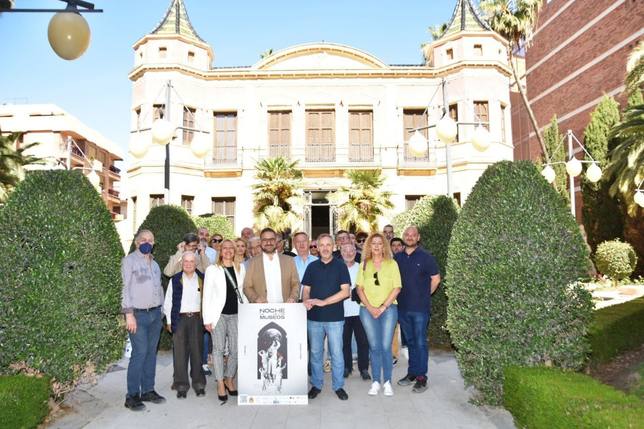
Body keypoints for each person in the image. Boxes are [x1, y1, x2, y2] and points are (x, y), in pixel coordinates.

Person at [302, 234, 351, 401]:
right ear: (316, 247)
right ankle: (316, 384)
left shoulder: (340, 266)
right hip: (314, 318)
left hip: (335, 318)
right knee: (315, 353)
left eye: (328, 245)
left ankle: (338, 386)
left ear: (333, 246)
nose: (324, 248)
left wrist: (323, 302)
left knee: (337, 353)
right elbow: (306, 289)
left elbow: (346, 292)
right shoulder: (311, 267)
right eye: (321, 245)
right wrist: (306, 300)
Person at [121, 230, 166, 411]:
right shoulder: (129, 261)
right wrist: (128, 314)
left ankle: (148, 390)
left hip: (155, 315)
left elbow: (159, 287)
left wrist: (162, 311)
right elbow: (125, 288)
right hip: (137, 315)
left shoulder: (154, 264)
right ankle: (132, 395)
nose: (147, 242)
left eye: (150, 240)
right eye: (143, 240)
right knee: (139, 353)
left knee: (150, 354)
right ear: (137, 242)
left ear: (154, 243)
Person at [395, 226, 440, 394]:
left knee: (420, 342)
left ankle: (422, 377)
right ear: (403, 237)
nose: (410, 237)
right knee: (411, 342)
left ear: (418, 237)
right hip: (403, 308)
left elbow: (435, 279)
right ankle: (412, 372)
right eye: (407, 234)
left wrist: (424, 295)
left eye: (413, 235)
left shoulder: (426, 257)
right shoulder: (397, 258)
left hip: (420, 309)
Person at [356, 233, 401, 397]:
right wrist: (370, 307)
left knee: (385, 347)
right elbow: (359, 288)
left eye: (379, 243)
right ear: (369, 246)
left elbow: (397, 288)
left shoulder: (392, 264)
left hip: (388, 310)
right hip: (367, 310)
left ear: (384, 246)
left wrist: (382, 307)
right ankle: (376, 381)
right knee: (374, 347)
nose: (376, 246)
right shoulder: (364, 265)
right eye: (373, 243)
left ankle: (387, 382)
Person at [203, 240, 247, 402]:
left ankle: (230, 378)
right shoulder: (212, 270)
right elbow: (206, 296)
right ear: (220, 251)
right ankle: (220, 382)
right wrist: (207, 319)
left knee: (235, 350)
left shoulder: (241, 268)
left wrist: (248, 313)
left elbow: (243, 293)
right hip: (218, 315)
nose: (228, 251)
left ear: (235, 251)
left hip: (236, 314)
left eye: (231, 248)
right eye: (225, 248)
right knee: (218, 350)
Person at [163, 251, 206, 399]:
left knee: (197, 353)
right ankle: (181, 385)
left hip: (197, 319)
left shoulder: (202, 279)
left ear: (196, 263)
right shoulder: (175, 280)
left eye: (191, 261)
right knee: (180, 355)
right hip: (179, 320)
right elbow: (168, 301)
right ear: (182, 263)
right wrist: (169, 320)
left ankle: (199, 384)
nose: (188, 264)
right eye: (185, 261)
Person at [243, 227, 300, 303]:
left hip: (285, 310)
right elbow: (247, 287)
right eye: (265, 240)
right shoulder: (252, 262)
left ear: (276, 241)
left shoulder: (289, 260)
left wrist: (293, 297)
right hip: (262, 311)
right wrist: (255, 298)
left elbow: (295, 283)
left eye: (271, 239)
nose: (268, 243)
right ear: (261, 242)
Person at [340, 243, 370, 381]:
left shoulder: (362, 268)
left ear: (355, 252)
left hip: (360, 311)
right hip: (342, 312)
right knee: (344, 342)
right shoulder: (337, 268)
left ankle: (364, 368)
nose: (348, 253)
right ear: (341, 252)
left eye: (351, 250)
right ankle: (347, 367)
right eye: (345, 250)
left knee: (363, 341)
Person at [292, 231, 318, 299]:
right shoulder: (290, 262)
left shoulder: (318, 261)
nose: (301, 244)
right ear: (294, 244)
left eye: (304, 241)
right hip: (295, 301)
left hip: (314, 300)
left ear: (309, 243)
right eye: (298, 242)